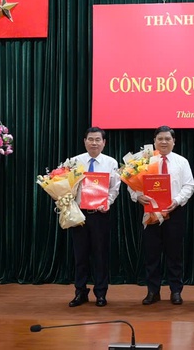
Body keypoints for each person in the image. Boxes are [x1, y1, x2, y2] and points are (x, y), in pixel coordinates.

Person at [128, 126, 194, 305]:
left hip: (174, 212)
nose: (164, 142)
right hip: (150, 212)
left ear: (174, 141)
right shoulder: (144, 161)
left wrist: (177, 201)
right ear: (154, 141)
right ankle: (153, 291)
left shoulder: (182, 161)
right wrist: (137, 196)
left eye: (167, 139)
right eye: (160, 139)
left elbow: (189, 185)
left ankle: (176, 291)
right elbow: (131, 184)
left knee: (175, 254)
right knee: (151, 254)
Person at [67, 127, 121, 307]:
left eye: (98, 140)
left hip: (100, 215)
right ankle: (80, 292)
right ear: (85, 141)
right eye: (90, 139)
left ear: (104, 143)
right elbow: (65, 185)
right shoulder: (74, 162)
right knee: (80, 256)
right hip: (79, 215)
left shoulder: (111, 162)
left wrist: (107, 203)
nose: (94, 143)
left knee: (100, 255)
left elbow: (114, 188)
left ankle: (101, 293)